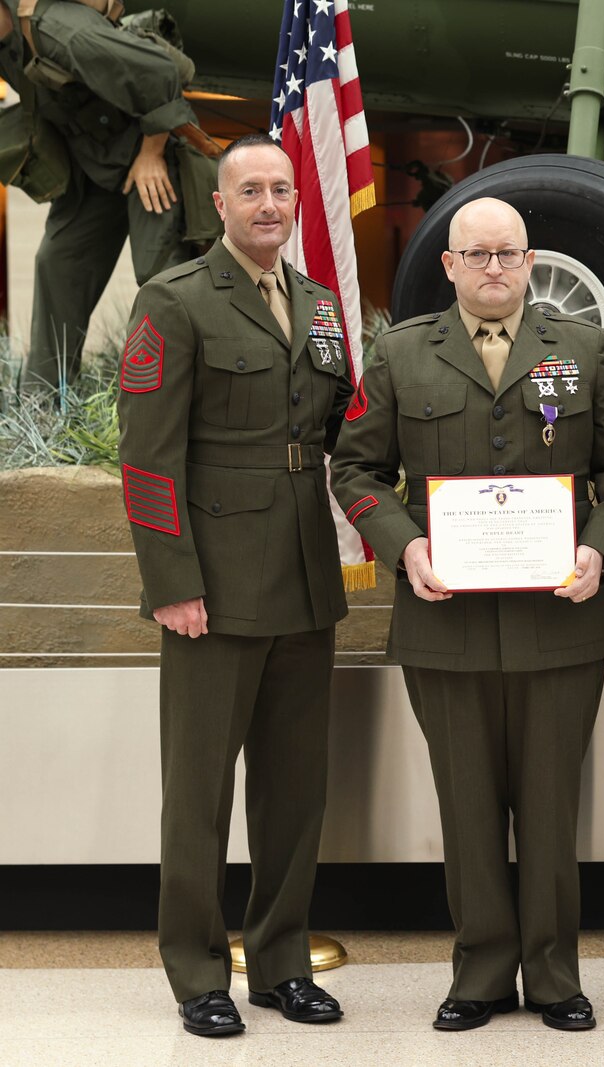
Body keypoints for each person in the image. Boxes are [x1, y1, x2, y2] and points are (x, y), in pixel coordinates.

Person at [329, 197, 604, 1033]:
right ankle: (477, 973)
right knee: (466, 803)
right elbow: (357, 472)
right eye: (477, 255)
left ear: (531, 258)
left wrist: (600, 549)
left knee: (550, 805)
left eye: (509, 253)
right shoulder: (401, 353)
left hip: (560, 619)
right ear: (449, 265)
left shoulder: (582, 348)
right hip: (446, 622)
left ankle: (552, 975)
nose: (495, 268)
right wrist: (405, 548)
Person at [117, 133, 350, 1038]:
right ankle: (196, 970)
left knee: (297, 789)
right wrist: (171, 582)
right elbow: (147, 458)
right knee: (201, 786)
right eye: (249, 189)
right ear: (218, 204)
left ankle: (281, 962)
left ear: (297, 204)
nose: (268, 204)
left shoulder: (321, 306)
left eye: (281, 190)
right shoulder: (175, 300)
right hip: (211, 583)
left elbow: (341, 434)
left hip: (303, 575)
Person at [9, 0, 216, 391]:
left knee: (161, 277)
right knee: (57, 262)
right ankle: (42, 412)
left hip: (150, 153)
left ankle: (186, 404)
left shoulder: (63, 32)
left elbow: (162, 73)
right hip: (94, 167)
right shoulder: (9, 40)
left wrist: (151, 154)